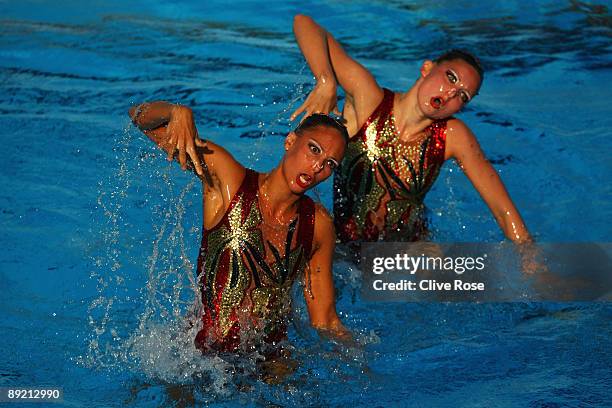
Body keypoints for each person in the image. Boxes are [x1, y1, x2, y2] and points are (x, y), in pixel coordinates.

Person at [128, 102, 350, 359]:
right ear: (290, 141)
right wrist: (173, 112)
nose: (316, 167)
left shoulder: (318, 225)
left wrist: (364, 365)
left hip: (270, 360)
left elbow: (325, 320)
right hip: (203, 357)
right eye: (314, 149)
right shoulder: (229, 181)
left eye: (329, 163)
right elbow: (137, 116)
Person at [291, 15, 532, 244]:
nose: (450, 93)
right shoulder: (369, 100)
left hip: (409, 248)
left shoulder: (453, 136)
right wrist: (326, 80)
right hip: (344, 244)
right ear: (427, 68)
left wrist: (531, 264)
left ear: (460, 108)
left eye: (462, 95)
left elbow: (503, 212)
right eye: (450, 77)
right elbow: (305, 23)